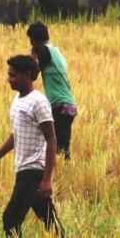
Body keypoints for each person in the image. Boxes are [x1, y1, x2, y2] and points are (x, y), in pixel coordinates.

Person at [0, 55, 62, 237]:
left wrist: (47, 179)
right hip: (22, 168)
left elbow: (51, 139)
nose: (9, 79)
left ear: (27, 75)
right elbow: (16, 135)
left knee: (11, 219)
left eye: (13, 75)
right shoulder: (17, 100)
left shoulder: (38, 102)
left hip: (33, 170)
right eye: (9, 75)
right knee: (49, 218)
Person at [27, 22, 77, 160]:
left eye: (31, 40)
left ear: (34, 40)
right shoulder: (56, 51)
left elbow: (31, 75)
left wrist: (32, 54)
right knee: (60, 145)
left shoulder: (44, 51)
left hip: (59, 105)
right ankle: (63, 172)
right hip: (68, 105)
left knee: (55, 146)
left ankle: (57, 174)